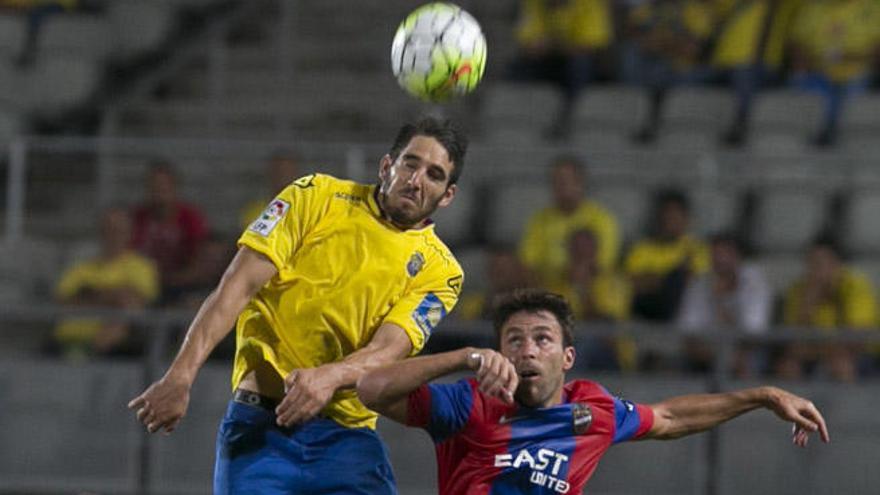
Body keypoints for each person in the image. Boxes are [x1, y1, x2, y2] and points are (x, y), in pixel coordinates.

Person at [127, 116, 468, 494]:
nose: (417, 180)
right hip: (259, 428)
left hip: (348, 440)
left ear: (448, 194)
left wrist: (331, 376)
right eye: (410, 164)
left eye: (434, 175)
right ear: (387, 166)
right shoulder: (315, 194)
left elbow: (388, 349)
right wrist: (181, 374)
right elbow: (237, 286)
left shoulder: (442, 272)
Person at [357, 289, 829, 495]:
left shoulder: (593, 410)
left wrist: (763, 395)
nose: (527, 351)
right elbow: (372, 387)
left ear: (567, 358)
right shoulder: (467, 403)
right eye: (513, 340)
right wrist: (462, 357)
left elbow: (668, 418)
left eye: (542, 339)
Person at [51, 206, 159, 360]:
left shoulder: (142, 267)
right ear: (100, 233)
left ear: (130, 233)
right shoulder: (80, 269)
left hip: (113, 349)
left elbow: (133, 304)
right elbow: (61, 304)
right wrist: (113, 297)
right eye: (108, 230)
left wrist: (88, 295)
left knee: (123, 322)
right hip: (63, 344)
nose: (113, 236)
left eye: (118, 230)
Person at [777, 235, 877, 382]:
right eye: (811, 264)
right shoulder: (800, 289)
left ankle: (847, 405)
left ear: (837, 264)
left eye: (820, 264)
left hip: (861, 356)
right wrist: (809, 303)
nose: (815, 270)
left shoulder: (855, 286)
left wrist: (837, 296)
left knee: (841, 365)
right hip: (815, 354)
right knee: (788, 367)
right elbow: (793, 344)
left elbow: (856, 342)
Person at [507, 0, 613, 138]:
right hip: (548, 59)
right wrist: (535, 47)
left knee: (580, 65)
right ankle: (522, 117)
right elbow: (527, 41)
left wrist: (555, 45)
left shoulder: (591, 3)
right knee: (518, 67)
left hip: (581, 64)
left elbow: (592, 46)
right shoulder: (534, 3)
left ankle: (572, 114)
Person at [677, 232, 772, 376]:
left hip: (745, 351)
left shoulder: (755, 284)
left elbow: (753, 334)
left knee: (748, 361)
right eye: (715, 254)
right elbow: (688, 329)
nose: (719, 260)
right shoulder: (700, 283)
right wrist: (716, 356)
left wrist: (720, 302)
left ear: (738, 256)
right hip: (705, 352)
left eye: (725, 254)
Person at [788, 0, 880, 146]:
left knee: (840, 89)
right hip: (820, 72)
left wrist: (849, 57)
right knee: (805, 84)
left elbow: (877, 51)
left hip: (858, 73)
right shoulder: (813, 7)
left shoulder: (873, 7)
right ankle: (826, 130)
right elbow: (798, 43)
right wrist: (806, 66)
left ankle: (828, 131)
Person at [518, 156, 619, 289]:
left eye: (564, 181)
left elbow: (603, 265)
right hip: (547, 290)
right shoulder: (539, 220)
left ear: (580, 182)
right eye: (554, 181)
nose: (559, 187)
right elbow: (527, 263)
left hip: (592, 291)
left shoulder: (602, 219)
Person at [624, 188, 709, 322]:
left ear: (686, 218)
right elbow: (631, 284)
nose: (670, 221)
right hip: (644, 312)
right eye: (667, 215)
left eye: (675, 216)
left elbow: (695, 285)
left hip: (682, 315)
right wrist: (670, 279)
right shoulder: (641, 248)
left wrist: (656, 279)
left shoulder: (696, 249)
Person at [131, 161, 209, 304]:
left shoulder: (190, 218)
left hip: (184, 286)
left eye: (163, 185)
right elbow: (130, 255)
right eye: (154, 185)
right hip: (146, 285)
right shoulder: (138, 218)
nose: (159, 190)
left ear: (175, 186)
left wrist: (174, 280)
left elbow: (201, 259)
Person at [239, 150, 301, 229]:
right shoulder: (255, 214)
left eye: (287, 171)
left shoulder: (308, 212)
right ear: (270, 174)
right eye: (278, 171)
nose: (283, 177)